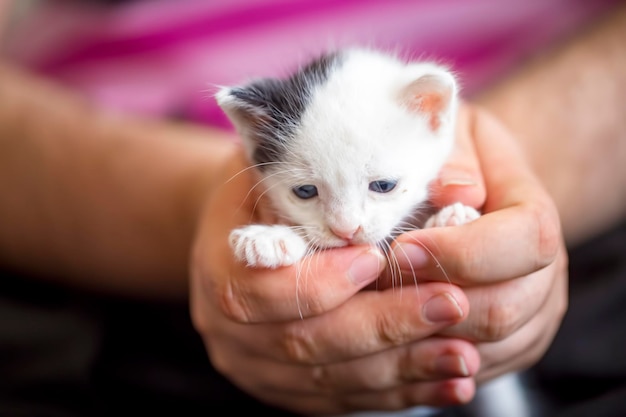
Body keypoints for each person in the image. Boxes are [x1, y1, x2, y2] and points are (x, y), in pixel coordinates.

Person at [0, 1, 623, 416]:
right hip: (91, 230)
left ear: (435, 116)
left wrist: (494, 190)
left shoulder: (413, 112)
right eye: (306, 192)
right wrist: (203, 207)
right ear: (250, 142)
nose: (349, 226)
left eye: (382, 188)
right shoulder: (278, 146)